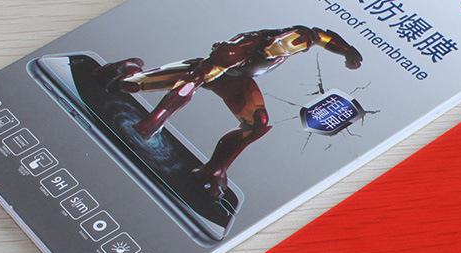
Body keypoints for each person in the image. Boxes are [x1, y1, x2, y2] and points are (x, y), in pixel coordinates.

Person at [96, 25, 362, 198]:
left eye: (294, 48)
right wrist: (154, 122)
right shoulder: (246, 45)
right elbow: (200, 75)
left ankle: (214, 170)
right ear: (276, 38)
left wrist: (348, 52)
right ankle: (126, 73)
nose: (284, 50)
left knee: (257, 123)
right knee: (133, 85)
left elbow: (324, 37)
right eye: (283, 44)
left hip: (237, 82)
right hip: (208, 71)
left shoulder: (302, 38)